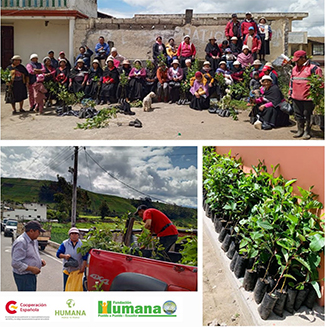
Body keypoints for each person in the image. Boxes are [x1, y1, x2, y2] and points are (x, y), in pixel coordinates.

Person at [289, 50, 323, 139]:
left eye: (297, 60)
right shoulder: (294, 69)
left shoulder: (314, 69)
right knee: (298, 115)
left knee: (307, 115)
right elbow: (291, 82)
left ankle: (307, 131)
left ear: (303, 58)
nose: (296, 62)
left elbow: (320, 84)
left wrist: (317, 96)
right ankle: (300, 130)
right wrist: (290, 93)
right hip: (296, 96)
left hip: (308, 98)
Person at [11, 221, 46, 291]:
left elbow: (31, 255)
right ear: (31, 231)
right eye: (38, 232)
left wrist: (39, 261)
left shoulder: (34, 241)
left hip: (30, 275)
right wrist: (32, 268)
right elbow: (15, 263)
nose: (39, 234)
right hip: (24, 277)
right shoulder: (21, 242)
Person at [56, 227, 87, 291]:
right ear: (69, 235)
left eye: (76, 234)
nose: (74, 235)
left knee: (77, 289)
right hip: (67, 271)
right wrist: (65, 256)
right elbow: (58, 254)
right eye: (72, 234)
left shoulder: (82, 244)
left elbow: (85, 257)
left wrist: (83, 268)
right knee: (67, 288)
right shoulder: (64, 243)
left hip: (77, 271)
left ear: (78, 235)